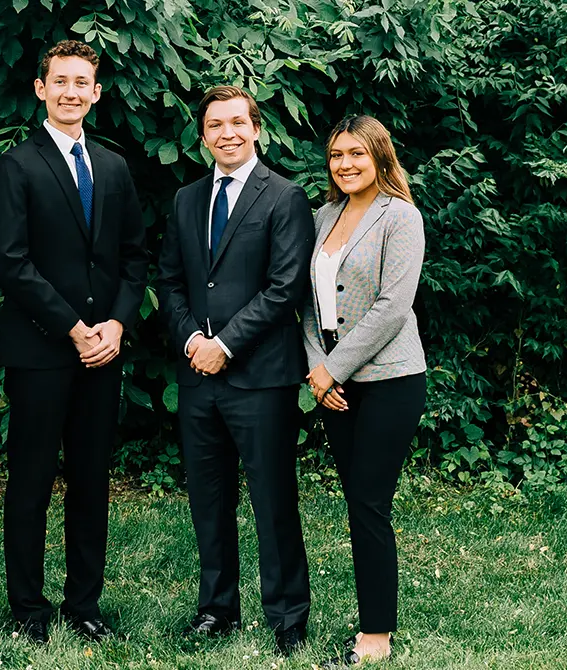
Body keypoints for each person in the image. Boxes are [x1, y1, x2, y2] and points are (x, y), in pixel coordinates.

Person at [0, 39, 148, 643]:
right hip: (40, 351)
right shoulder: (17, 166)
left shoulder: (113, 166)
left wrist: (116, 325)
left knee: (90, 481)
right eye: (61, 81)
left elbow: (134, 258)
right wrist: (74, 328)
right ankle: (28, 607)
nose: (71, 92)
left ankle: (84, 605)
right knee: (29, 482)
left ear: (96, 92)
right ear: (40, 89)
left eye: (83, 82)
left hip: (102, 352)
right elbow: (9, 261)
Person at [156, 85, 314, 655]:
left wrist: (225, 343)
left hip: (261, 378)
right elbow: (171, 281)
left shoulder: (285, 198)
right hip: (199, 376)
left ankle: (288, 616)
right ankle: (216, 609)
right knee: (209, 499)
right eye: (215, 125)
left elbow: (284, 288)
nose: (227, 133)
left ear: (256, 129)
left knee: (273, 499)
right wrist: (194, 339)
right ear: (203, 137)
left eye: (237, 123)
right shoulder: (186, 199)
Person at [299, 115, 428, 667]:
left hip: (390, 380)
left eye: (356, 153)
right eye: (335, 156)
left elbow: (393, 307)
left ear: (379, 155)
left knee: (369, 502)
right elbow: (304, 303)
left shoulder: (401, 217)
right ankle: (372, 615)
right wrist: (317, 369)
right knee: (358, 503)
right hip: (332, 382)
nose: (345, 164)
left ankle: (376, 635)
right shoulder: (321, 215)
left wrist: (336, 369)